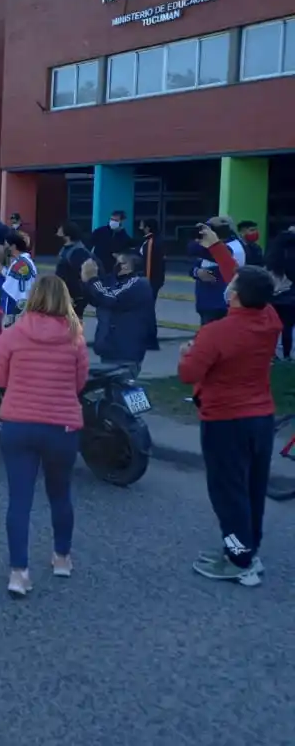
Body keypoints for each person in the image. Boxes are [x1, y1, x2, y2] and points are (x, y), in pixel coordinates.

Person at [179, 229, 280, 586]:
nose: (229, 282)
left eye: (232, 282)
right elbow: (242, 278)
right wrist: (217, 247)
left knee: (228, 493)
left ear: (233, 296)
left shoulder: (216, 333)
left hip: (225, 421)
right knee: (251, 488)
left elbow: (188, 372)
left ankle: (239, 560)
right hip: (261, 418)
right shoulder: (269, 319)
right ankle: (248, 550)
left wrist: (188, 352)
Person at [0, 275, 89, 597]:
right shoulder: (75, 337)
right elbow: (80, 383)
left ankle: (18, 573)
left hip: (18, 423)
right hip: (61, 426)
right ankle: (62, 557)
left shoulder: (13, 333)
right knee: (60, 495)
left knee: (19, 500)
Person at [80, 252, 154, 378]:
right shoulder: (116, 283)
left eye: (120, 263)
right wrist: (87, 281)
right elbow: (98, 298)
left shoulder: (138, 283)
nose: (116, 266)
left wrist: (93, 279)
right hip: (109, 350)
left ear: (128, 267)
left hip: (125, 353)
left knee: (121, 390)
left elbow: (110, 298)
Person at [189, 217, 246, 326]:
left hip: (220, 304)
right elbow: (195, 263)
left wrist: (197, 236)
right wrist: (196, 272)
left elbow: (193, 248)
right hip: (207, 302)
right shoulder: (211, 246)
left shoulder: (231, 247)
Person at [266, 225, 295, 361]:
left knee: (273, 328)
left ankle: (272, 355)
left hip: (274, 297)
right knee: (287, 327)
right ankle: (287, 355)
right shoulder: (292, 258)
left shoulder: (272, 258)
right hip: (290, 297)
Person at [136, 218, 165, 350]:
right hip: (152, 281)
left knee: (147, 311)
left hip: (151, 281)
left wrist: (146, 282)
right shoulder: (150, 240)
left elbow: (149, 264)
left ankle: (151, 339)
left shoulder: (152, 242)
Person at [55, 222, 92, 320]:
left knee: (74, 321)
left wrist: (74, 296)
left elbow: (82, 273)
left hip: (75, 294)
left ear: (67, 232)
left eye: (61, 228)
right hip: (64, 291)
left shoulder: (78, 251)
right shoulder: (66, 248)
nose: (58, 229)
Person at [1, 231, 37, 321]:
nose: (4, 247)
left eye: (6, 244)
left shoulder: (20, 264)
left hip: (16, 310)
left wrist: (9, 314)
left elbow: (10, 290)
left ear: (13, 246)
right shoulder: (23, 261)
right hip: (22, 308)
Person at [89, 210, 132, 275]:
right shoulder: (100, 231)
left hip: (113, 268)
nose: (113, 222)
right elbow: (90, 242)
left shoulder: (124, 236)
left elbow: (125, 250)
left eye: (116, 220)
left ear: (121, 221)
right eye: (112, 219)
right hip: (98, 264)